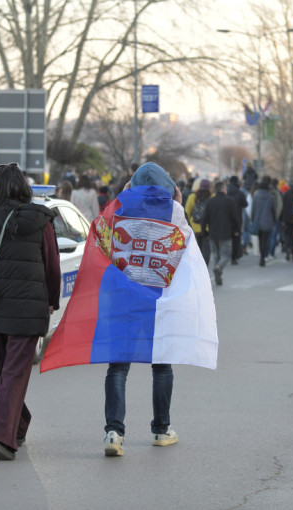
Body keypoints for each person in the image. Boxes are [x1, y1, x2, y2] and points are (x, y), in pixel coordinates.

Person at [0, 163, 60, 460]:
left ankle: (16, 427)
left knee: (8, 371)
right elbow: (52, 263)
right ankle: (1, 435)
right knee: (13, 373)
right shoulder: (42, 219)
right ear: (23, 186)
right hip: (30, 308)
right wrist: (52, 299)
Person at [102, 162, 184, 457]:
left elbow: (103, 238)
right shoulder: (174, 211)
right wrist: (178, 203)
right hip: (158, 297)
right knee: (161, 364)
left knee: (118, 366)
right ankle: (161, 430)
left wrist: (121, 195)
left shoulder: (119, 207)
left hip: (123, 295)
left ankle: (113, 432)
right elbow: (183, 247)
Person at [202, 180, 240, 285]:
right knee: (226, 255)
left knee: (216, 255)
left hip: (213, 233)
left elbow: (204, 219)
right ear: (223, 189)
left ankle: (217, 271)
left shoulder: (210, 202)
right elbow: (235, 218)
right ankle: (218, 268)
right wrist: (237, 230)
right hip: (226, 233)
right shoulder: (230, 201)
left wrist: (205, 232)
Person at [250, 177, 276, 267]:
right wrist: (274, 220)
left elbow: (253, 210)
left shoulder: (256, 197)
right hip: (268, 222)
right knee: (266, 240)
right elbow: (274, 210)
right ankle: (264, 256)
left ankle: (261, 256)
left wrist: (253, 220)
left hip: (258, 222)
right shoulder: (271, 197)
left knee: (261, 240)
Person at [185, 179, 212, 264]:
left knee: (197, 249)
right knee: (206, 250)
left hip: (195, 228)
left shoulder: (192, 197)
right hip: (207, 228)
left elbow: (187, 212)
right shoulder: (212, 197)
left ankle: (198, 265)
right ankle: (205, 267)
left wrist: (189, 225)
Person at [225, 176, 247, 264]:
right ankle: (234, 257)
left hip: (226, 218)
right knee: (236, 237)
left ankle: (225, 256)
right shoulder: (240, 193)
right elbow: (245, 204)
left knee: (226, 238)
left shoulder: (225, 191)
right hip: (237, 218)